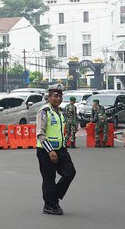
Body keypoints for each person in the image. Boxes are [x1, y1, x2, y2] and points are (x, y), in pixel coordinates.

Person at [36, 84, 76, 215]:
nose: (58, 98)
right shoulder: (44, 111)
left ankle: (54, 196)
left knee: (70, 172)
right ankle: (50, 205)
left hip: (61, 149)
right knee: (49, 178)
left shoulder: (60, 112)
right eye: (55, 96)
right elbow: (40, 134)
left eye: (60, 96)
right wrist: (50, 151)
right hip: (46, 151)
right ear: (49, 97)